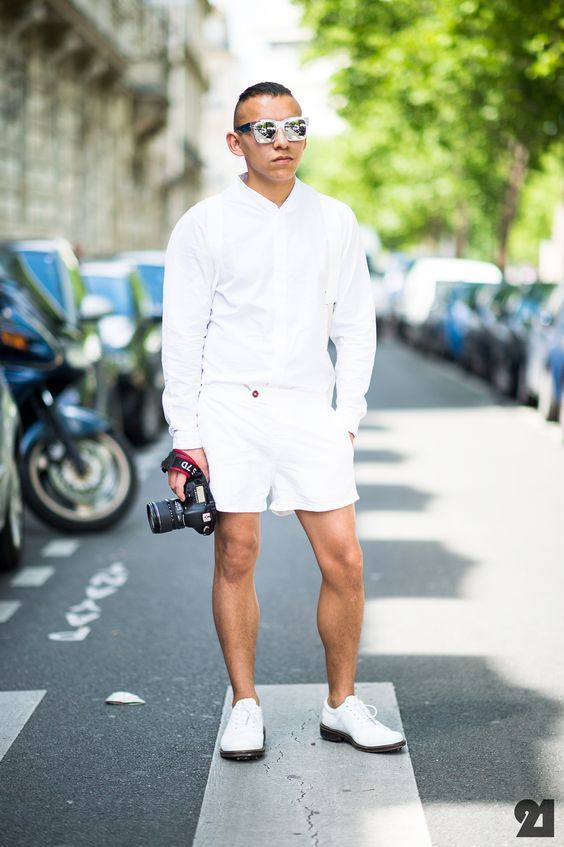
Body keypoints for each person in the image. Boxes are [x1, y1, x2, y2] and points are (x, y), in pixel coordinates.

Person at [161, 81, 406, 760]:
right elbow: (181, 335)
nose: (283, 141)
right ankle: (245, 703)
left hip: (309, 409)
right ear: (235, 140)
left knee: (346, 561)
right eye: (264, 130)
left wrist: (347, 416)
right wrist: (188, 437)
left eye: (294, 126)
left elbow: (357, 325)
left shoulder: (335, 219)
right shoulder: (204, 224)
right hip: (230, 406)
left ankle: (342, 704)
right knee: (236, 553)